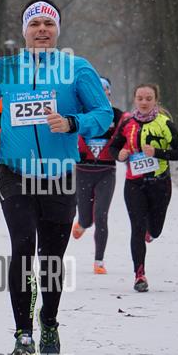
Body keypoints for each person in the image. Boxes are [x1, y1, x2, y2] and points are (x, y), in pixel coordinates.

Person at [0, 0, 112, 355]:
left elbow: (103, 113)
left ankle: (48, 321)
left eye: (48, 24)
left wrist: (72, 123)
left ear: (57, 31)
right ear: (25, 31)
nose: (42, 30)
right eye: (34, 24)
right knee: (22, 246)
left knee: (51, 257)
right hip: (14, 174)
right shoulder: (5, 69)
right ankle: (23, 334)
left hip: (59, 176)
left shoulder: (77, 69)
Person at [108, 83, 178, 292]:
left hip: (160, 184)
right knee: (137, 228)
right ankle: (139, 275)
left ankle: (151, 232)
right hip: (134, 184)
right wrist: (119, 155)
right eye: (140, 98)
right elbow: (113, 147)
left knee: (156, 230)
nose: (144, 102)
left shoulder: (165, 124)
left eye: (148, 99)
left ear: (156, 101)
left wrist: (158, 153)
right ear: (135, 99)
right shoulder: (127, 123)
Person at [72, 77, 123, 274]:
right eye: (97, 89)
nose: (101, 93)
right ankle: (82, 223)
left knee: (101, 215)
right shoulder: (81, 113)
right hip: (83, 171)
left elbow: (129, 134)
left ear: (109, 92)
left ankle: (99, 261)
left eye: (105, 89)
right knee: (87, 219)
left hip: (106, 172)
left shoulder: (117, 115)